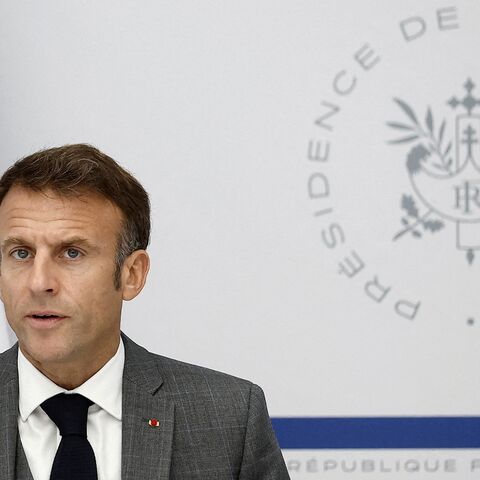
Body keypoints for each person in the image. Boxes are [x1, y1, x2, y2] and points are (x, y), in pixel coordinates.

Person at [0, 144, 290, 480]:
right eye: (21, 253)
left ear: (132, 274)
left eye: (72, 253)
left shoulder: (229, 417)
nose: (39, 283)